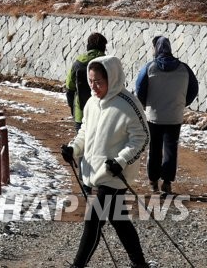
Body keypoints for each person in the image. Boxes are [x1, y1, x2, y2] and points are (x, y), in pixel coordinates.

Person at [60, 56, 150, 268]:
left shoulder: (128, 104)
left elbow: (142, 137)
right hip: (96, 172)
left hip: (115, 175)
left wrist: (121, 160)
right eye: (91, 81)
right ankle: (140, 263)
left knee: (93, 221)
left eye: (99, 81)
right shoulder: (92, 102)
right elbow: (84, 132)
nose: (94, 86)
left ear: (112, 77)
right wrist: (73, 149)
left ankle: (77, 265)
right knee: (118, 220)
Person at [134, 35, 199, 195]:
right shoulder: (184, 68)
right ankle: (167, 182)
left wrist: (146, 104)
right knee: (171, 149)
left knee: (154, 148)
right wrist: (182, 103)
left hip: (154, 117)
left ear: (156, 49)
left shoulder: (150, 67)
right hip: (174, 116)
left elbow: (139, 88)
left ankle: (153, 181)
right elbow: (193, 89)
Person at [66, 33, 107, 130]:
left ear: (88, 46)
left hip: (81, 113)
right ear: (103, 47)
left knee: (81, 142)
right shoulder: (108, 63)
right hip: (103, 113)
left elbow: (69, 87)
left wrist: (73, 108)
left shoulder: (78, 63)